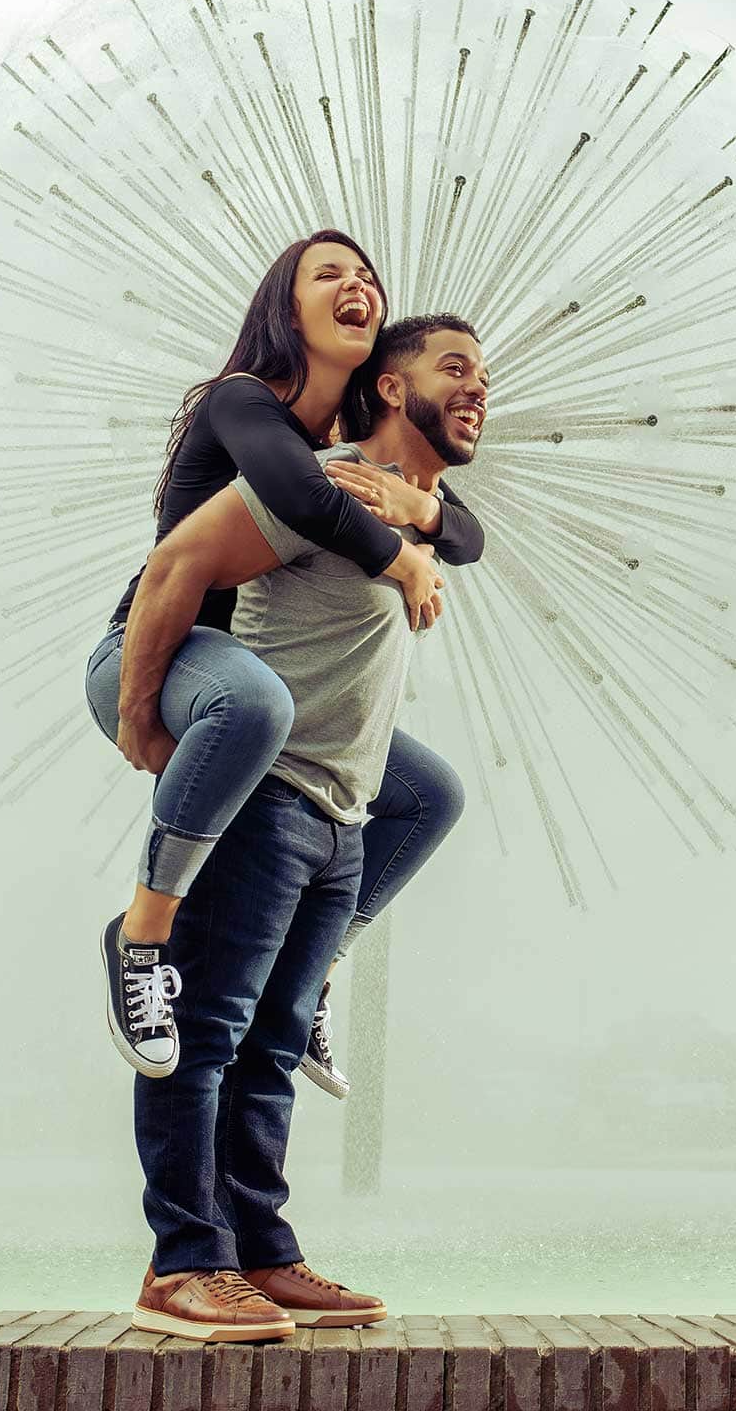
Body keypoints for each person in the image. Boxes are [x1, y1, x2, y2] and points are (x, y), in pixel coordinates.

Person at [119, 313, 488, 1341]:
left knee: (272, 1043)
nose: (476, 388)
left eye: (482, 374)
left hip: (344, 814)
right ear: (389, 390)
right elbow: (180, 564)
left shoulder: (411, 513)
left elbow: (467, 533)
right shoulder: (322, 491)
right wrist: (143, 713)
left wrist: (424, 515)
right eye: (453, 368)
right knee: (209, 1034)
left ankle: (264, 1254)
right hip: (268, 799)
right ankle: (183, 1262)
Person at [84, 230, 480, 1082]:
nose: (356, 284)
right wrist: (405, 551)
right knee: (259, 706)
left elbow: (471, 537)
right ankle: (140, 939)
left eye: (367, 275)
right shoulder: (243, 402)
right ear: (284, 306)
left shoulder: (342, 442)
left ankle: (314, 974)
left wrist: (427, 509)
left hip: (237, 678)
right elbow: (295, 492)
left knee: (426, 794)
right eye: (328, 273)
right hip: (150, 654)